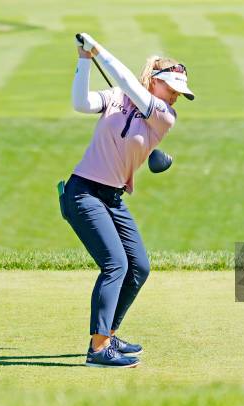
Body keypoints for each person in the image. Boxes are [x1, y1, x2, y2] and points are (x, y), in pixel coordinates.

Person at [63, 33, 194, 368]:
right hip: (83, 192)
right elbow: (81, 104)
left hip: (113, 197)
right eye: (173, 87)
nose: (177, 95)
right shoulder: (117, 97)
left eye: (180, 91)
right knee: (115, 265)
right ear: (154, 81)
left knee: (138, 267)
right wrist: (84, 59)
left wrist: (99, 50)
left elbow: (126, 79)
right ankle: (98, 348)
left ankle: (109, 332)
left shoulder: (164, 114)